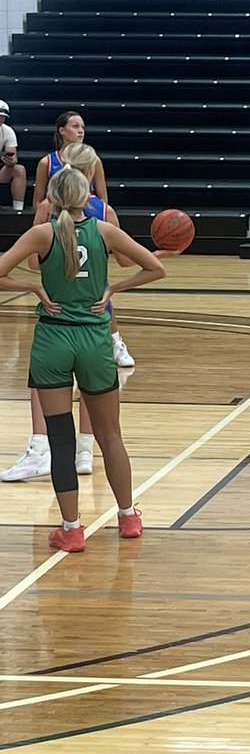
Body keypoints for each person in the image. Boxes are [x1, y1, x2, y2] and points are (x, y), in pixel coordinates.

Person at [0, 167, 166, 551]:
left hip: (52, 342)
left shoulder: (41, 234)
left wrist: (34, 286)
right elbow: (156, 268)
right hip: (94, 341)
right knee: (110, 436)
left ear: (53, 198)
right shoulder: (105, 230)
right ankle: (127, 518)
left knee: (60, 439)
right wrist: (113, 288)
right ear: (86, 196)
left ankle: (71, 529)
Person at [2, 142, 139, 483]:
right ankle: (86, 452)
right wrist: (161, 255)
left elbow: (33, 263)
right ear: (91, 173)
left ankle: (40, 451)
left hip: (56, 313)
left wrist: (40, 284)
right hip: (96, 312)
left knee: (47, 388)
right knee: (96, 397)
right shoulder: (105, 213)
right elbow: (127, 261)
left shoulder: (47, 209)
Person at [33, 110, 132, 367]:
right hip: (59, 227)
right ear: (61, 131)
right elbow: (39, 200)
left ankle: (115, 339)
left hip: (83, 221)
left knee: (95, 289)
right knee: (98, 291)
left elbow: (103, 197)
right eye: (75, 126)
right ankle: (109, 342)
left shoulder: (99, 204)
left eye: (83, 127)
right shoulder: (47, 164)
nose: (80, 131)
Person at [0, 100, 27, 213]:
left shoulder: (7, 131)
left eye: (3, 117)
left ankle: (18, 210)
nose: (1, 120)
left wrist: (10, 161)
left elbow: (13, 156)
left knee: (18, 169)